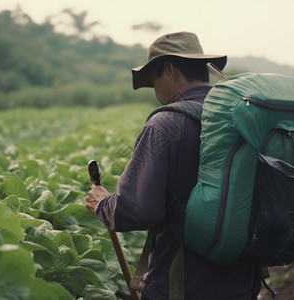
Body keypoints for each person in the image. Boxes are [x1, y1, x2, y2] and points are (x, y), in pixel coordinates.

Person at [85, 31, 261, 300]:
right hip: (241, 282)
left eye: (154, 80)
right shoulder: (244, 117)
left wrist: (102, 203)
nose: (155, 90)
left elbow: (138, 209)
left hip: (179, 284)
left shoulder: (165, 124)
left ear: (169, 70)